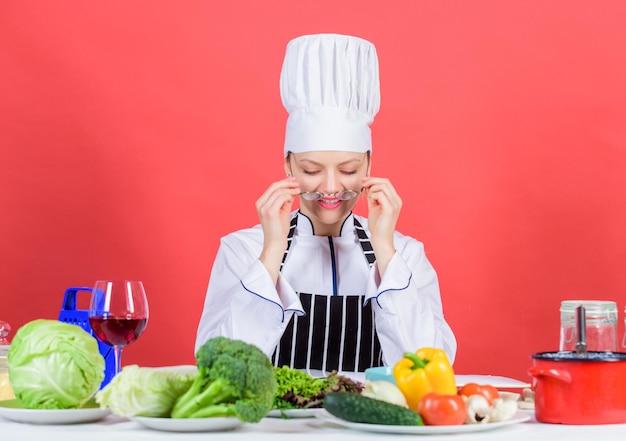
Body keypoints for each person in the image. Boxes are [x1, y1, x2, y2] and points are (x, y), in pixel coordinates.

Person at [195, 33, 456, 373]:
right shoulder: (242, 251)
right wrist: (271, 252)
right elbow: (218, 368)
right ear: (288, 165)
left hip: (370, 424)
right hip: (275, 426)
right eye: (311, 170)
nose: (331, 188)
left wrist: (385, 252)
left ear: (369, 166)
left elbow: (432, 368)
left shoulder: (404, 255)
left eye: (348, 170)